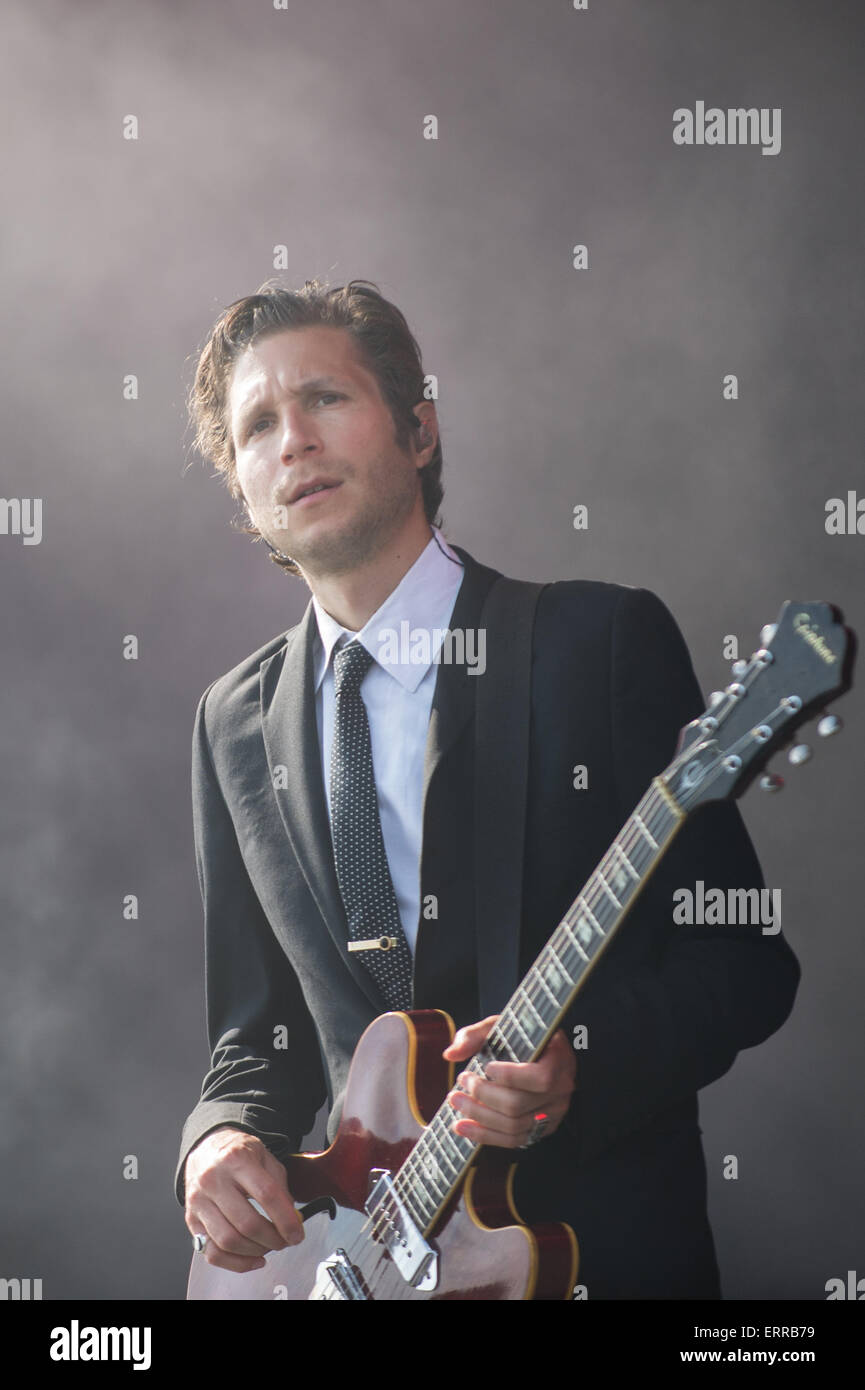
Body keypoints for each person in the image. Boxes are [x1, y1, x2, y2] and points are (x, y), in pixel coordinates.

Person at [176, 278, 800, 1299]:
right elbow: (256, 1035)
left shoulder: (593, 644)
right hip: (357, 1266)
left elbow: (742, 961)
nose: (291, 440)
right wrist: (216, 1141)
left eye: (325, 400)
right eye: (256, 427)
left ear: (418, 431)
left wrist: (579, 1066)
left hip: (589, 1257)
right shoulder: (230, 723)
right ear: (245, 495)